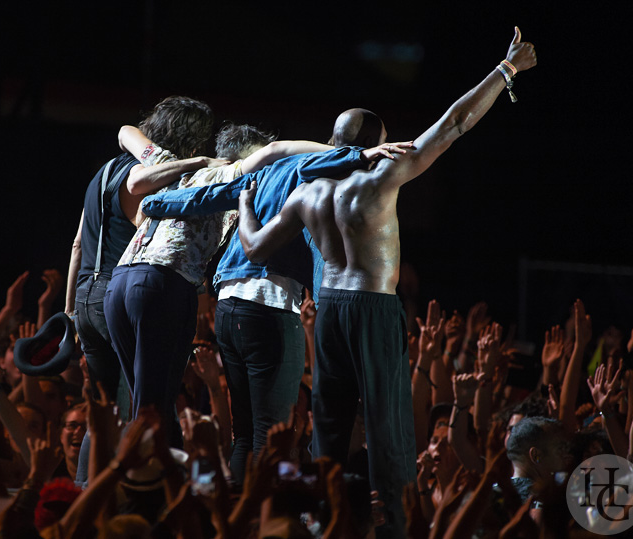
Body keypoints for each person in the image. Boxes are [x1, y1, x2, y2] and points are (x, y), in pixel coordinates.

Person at [236, 28, 537, 537]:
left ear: (333, 144)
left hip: (329, 307)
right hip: (372, 307)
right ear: (378, 144)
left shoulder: (305, 194)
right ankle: (393, 527)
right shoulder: (381, 177)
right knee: (387, 427)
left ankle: (318, 520)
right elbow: (455, 122)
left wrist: (245, 203)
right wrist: (505, 71)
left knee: (328, 425)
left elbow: (254, 248)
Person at [140, 110, 411, 483]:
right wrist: (363, 156)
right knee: (274, 436)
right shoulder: (317, 170)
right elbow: (340, 159)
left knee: (244, 435)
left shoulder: (260, 175)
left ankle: (236, 519)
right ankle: (270, 519)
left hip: (229, 307)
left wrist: (153, 205)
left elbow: (204, 197)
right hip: (268, 307)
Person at [105, 122, 353, 448]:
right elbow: (277, 152)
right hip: (166, 284)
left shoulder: (171, 166)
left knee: (153, 405)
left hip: (122, 281)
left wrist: (194, 163)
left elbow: (125, 134)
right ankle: (142, 491)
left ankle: (157, 485)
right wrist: (350, 154)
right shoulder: (235, 173)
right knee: (156, 411)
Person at [64, 96, 214, 485]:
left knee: (101, 413)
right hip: (120, 294)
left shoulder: (103, 172)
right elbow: (149, 232)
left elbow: (79, 245)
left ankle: (86, 494)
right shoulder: (148, 174)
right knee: (140, 406)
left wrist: (69, 310)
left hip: (85, 295)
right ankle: (144, 493)